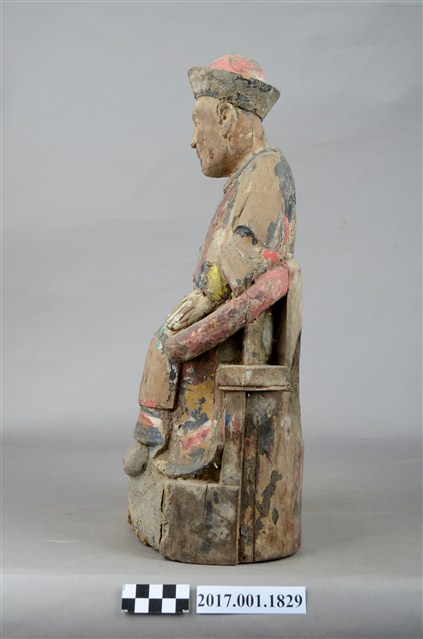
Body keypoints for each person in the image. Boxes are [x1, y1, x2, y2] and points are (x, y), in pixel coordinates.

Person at [124, 54, 296, 480]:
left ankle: (172, 443)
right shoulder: (249, 174)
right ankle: (156, 439)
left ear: (224, 116)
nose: (192, 140)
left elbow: (250, 256)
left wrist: (207, 295)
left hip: (240, 327)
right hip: (229, 312)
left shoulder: (268, 170)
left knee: (166, 343)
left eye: (196, 123)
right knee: (162, 341)